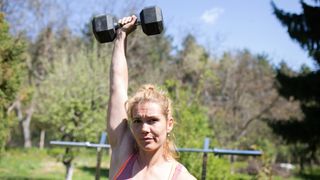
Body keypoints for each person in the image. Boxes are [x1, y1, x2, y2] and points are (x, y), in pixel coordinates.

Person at [107, 15, 196, 180]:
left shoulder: (180, 177)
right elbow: (117, 87)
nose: (144, 129)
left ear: (169, 124)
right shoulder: (123, 153)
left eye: (153, 120)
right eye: (138, 121)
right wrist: (121, 36)